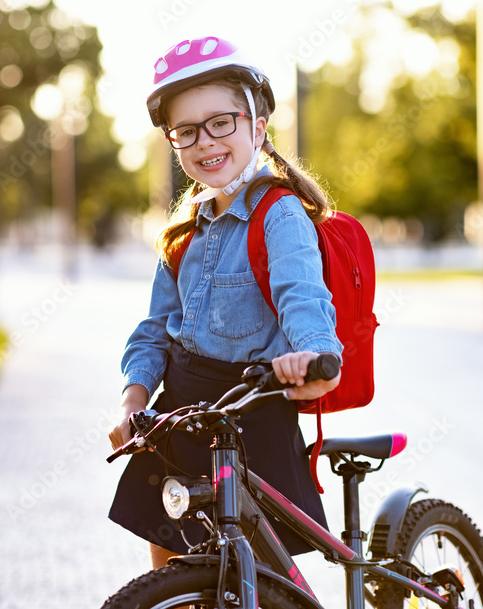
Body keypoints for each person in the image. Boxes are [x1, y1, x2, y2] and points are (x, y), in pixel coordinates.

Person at [107, 36, 343, 570]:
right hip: (181, 414)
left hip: (253, 410)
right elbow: (153, 330)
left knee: (256, 580)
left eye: (221, 122)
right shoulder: (184, 227)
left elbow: (305, 299)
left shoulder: (279, 215)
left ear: (257, 126)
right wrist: (133, 399)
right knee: (169, 574)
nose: (204, 141)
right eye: (185, 131)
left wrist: (313, 356)